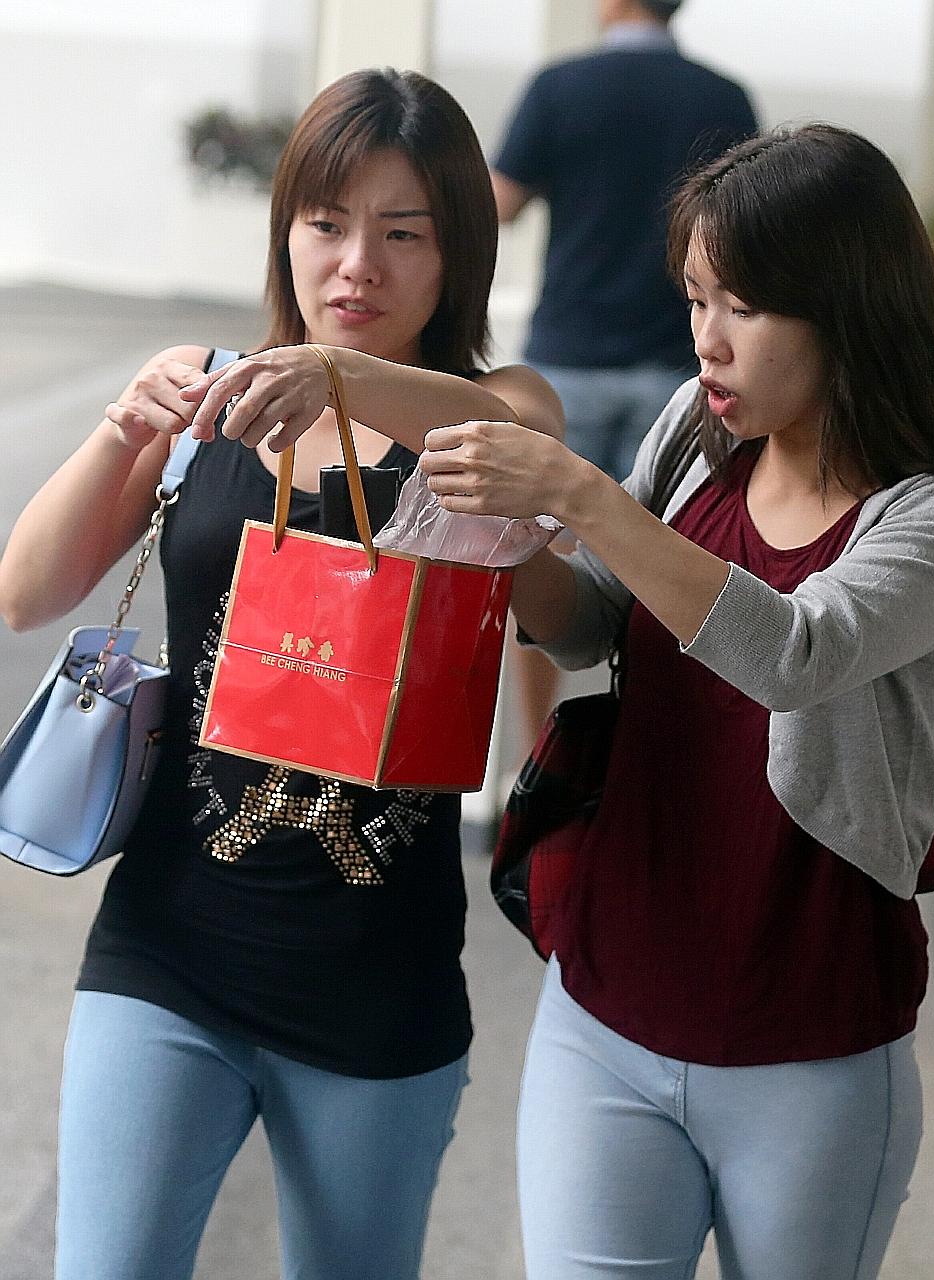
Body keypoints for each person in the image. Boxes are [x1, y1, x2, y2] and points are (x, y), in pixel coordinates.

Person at [416, 123, 934, 1279]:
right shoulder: (698, 437)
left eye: (740, 305)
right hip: (606, 1008)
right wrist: (506, 544)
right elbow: (594, 617)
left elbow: (799, 647)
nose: (707, 340)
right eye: (695, 299)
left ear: (845, 306)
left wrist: (582, 494)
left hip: (812, 1038)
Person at [0, 68, 561, 1280]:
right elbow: (25, 592)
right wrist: (122, 429)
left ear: (456, 248)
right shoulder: (207, 389)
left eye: (402, 232)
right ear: (286, 232)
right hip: (165, 952)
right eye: (326, 224)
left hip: (379, 992)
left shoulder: (493, 411)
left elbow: (525, 452)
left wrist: (346, 382)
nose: (357, 263)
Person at [490, 0, 757, 748]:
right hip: (685, 372)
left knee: (535, 555)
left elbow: (494, 208)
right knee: (674, 567)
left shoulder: (558, 86)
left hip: (565, 358)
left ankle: (533, 753)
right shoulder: (722, 98)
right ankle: (663, 752)